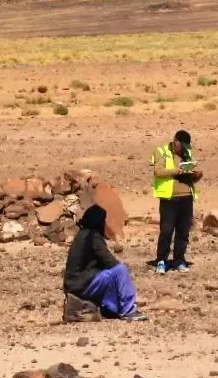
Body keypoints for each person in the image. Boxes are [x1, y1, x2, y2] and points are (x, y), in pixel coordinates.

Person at [63, 205, 147, 321]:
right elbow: (110, 263)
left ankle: (111, 308)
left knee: (109, 276)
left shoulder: (83, 234)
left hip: (74, 283)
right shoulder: (93, 236)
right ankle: (128, 310)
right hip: (81, 283)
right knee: (120, 270)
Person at [150, 129, 203, 274]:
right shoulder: (161, 151)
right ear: (176, 141)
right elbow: (158, 171)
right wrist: (178, 171)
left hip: (186, 198)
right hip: (169, 198)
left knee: (183, 231)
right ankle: (161, 260)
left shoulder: (187, 153)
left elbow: (192, 177)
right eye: (182, 145)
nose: (184, 149)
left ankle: (179, 260)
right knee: (166, 231)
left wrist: (197, 175)